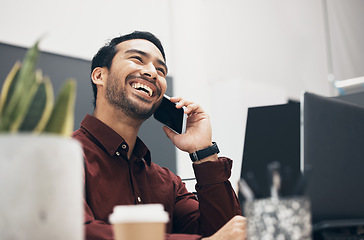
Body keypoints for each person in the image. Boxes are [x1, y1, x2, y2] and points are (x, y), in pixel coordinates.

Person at [72, 31, 247, 240]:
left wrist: (204, 152)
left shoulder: (168, 184)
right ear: (99, 75)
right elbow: (74, 231)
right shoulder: (62, 157)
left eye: (161, 70)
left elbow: (227, 233)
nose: (153, 73)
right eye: (137, 59)